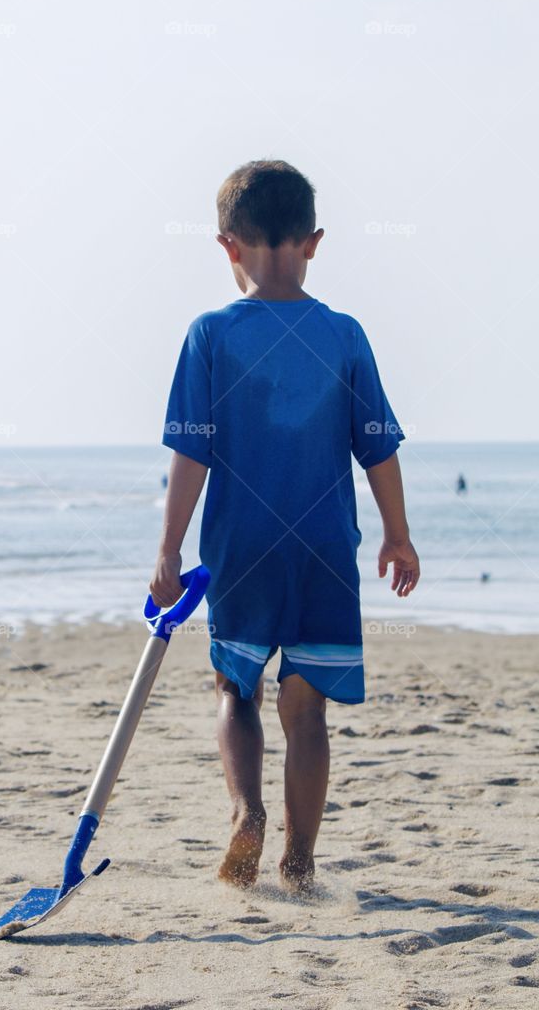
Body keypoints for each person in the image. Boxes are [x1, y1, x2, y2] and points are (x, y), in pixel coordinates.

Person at [148, 160, 420, 892]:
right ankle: (299, 861)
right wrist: (397, 534)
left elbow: (190, 452)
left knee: (234, 690)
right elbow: (378, 447)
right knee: (306, 710)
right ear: (313, 241)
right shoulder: (343, 334)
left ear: (227, 246)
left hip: (242, 546)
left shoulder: (210, 334)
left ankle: (245, 811)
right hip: (325, 549)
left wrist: (170, 549)